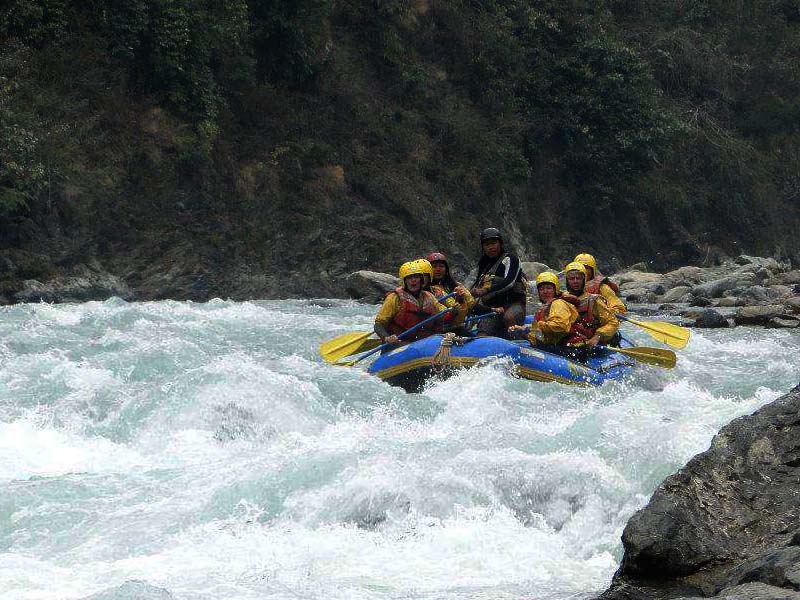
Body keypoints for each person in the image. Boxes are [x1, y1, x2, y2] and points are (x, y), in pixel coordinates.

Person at [374, 260, 456, 344]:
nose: (413, 280)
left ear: (421, 280)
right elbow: (378, 324)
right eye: (409, 278)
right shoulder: (395, 297)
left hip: (423, 343)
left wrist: (454, 310)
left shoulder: (429, 296)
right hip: (399, 343)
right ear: (405, 281)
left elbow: (443, 313)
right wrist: (387, 337)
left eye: (416, 277)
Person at [469, 227, 527, 337]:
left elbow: (509, 282)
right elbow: (473, 283)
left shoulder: (511, 259)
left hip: (514, 305)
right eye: (487, 245)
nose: (491, 247)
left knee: (508, 317)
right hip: (493, 308)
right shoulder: (483, 264)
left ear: (500, 243)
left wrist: (484, 290)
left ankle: (517, 342)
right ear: (483, 247)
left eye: (493, 243)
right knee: (482, 333)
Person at [508, 271, 578, 346]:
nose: (545, 292)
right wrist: (522, 328)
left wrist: (536, 326)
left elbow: (560, 326)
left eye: (549, 288)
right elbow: (541, 328)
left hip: (566, 348)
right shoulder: (546, 307)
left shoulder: (558, 304)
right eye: (541, 289)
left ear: (556, 290)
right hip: (554, 345)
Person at [562, 261, 619, 347]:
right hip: (569, 342)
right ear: (566, 280)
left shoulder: (594, 300)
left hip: (589, 344)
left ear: (584, 280)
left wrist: (598, 335)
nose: (575, 281)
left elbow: (613, 322)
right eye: (571, 278)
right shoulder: (561, 300)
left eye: (579, 278)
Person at [426, 252, 475, 328]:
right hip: (441, 326)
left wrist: (491, 310)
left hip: (459, 323)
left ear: (446, 269)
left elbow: (472, 303)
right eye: (434, 266)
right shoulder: (428, 289)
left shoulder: (456, 285)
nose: (438, 269)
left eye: (441, 266)